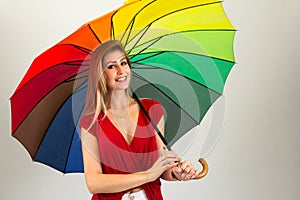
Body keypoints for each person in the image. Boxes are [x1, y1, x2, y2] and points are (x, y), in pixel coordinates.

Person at [80, 40, 200, 200]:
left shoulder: (152, 109)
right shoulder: (91, 122)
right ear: (101, 74)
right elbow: (94, 182)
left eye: (123, 63)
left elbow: (162, 166)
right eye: (111, 66)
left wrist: (177, 173)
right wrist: (148, 175)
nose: (120, 70)